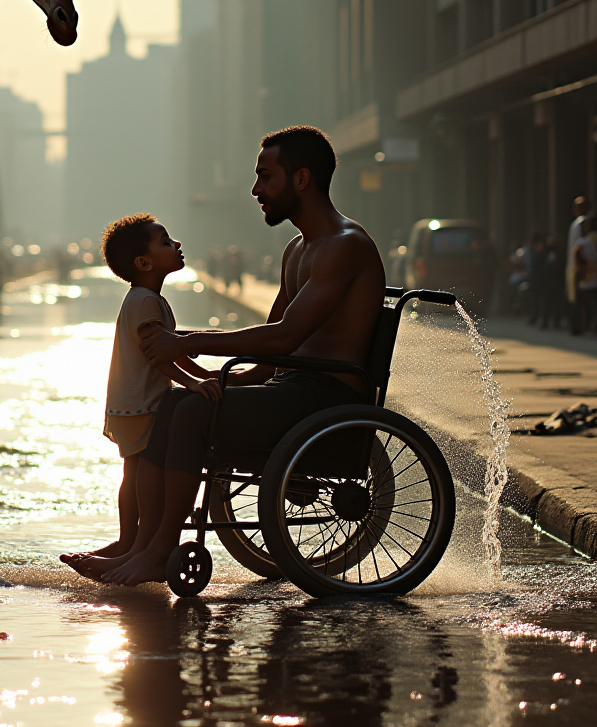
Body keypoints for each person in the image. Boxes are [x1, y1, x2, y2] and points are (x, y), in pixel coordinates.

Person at [68, 126, 385, 587]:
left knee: (193, 413)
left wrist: (188, 343)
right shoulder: (298, 248)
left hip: (327, 396)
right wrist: (227, 377)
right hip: (294, 386)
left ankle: (159, 551)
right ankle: (139, 543)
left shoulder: (343, 244)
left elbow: (283, 336)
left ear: (301, 179)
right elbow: (269, 354)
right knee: (172, 403)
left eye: (265, 177)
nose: (256, 190)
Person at [60, 214, 220, 573]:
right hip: (144, 406)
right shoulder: (147, 301)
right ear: (144, 262)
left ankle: (128, 542)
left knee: (131, 474)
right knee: (144, 474)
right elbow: (156, 352)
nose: (176, 244)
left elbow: (171, 350)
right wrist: (192, 383)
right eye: (166, 242)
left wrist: (202, 374)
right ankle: (139, 543)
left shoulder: (142, 298)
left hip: (128, 404)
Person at [567, 196, 588, 334]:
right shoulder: (577, 223)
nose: (575, 209)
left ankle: (581, 326)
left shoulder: (583, 223)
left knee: (581, 297)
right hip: (573, 264)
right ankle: (576, 325)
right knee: (575, 296)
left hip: (579, 265)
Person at [574, 217, 597, 334]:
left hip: (585, 278)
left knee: (585, 305)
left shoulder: (581, 243)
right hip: (593, 277)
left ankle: (585, 326)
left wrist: (583, 268)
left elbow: (577, 260)